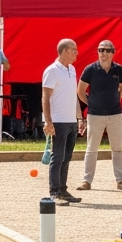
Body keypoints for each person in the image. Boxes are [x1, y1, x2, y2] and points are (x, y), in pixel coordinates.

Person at [76, 40, 122, 191]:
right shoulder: (90, 69)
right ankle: (86, 181)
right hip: (95, 115)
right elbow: (80, 91)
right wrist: (91, 103)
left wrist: (115, 99)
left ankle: (121, 181)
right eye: (101, 50)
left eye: (107, 50)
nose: (104, 53)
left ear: (113, 53)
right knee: (91, 149)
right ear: (98, 52)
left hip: (115, 114)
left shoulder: (118, 69)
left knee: (117, 148)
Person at [42, 39, 85, 204]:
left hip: (71, 121)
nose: (76, 53)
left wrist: (79, 117)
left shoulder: (72, 69)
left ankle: (63, 189)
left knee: (67, 157)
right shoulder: (52, 71)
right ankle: (54, 191)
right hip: (58, 120)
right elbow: (45, 97)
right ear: (65, 50)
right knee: (57, 156)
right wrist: (48, 121)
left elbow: (72, 95)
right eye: (74, 50)